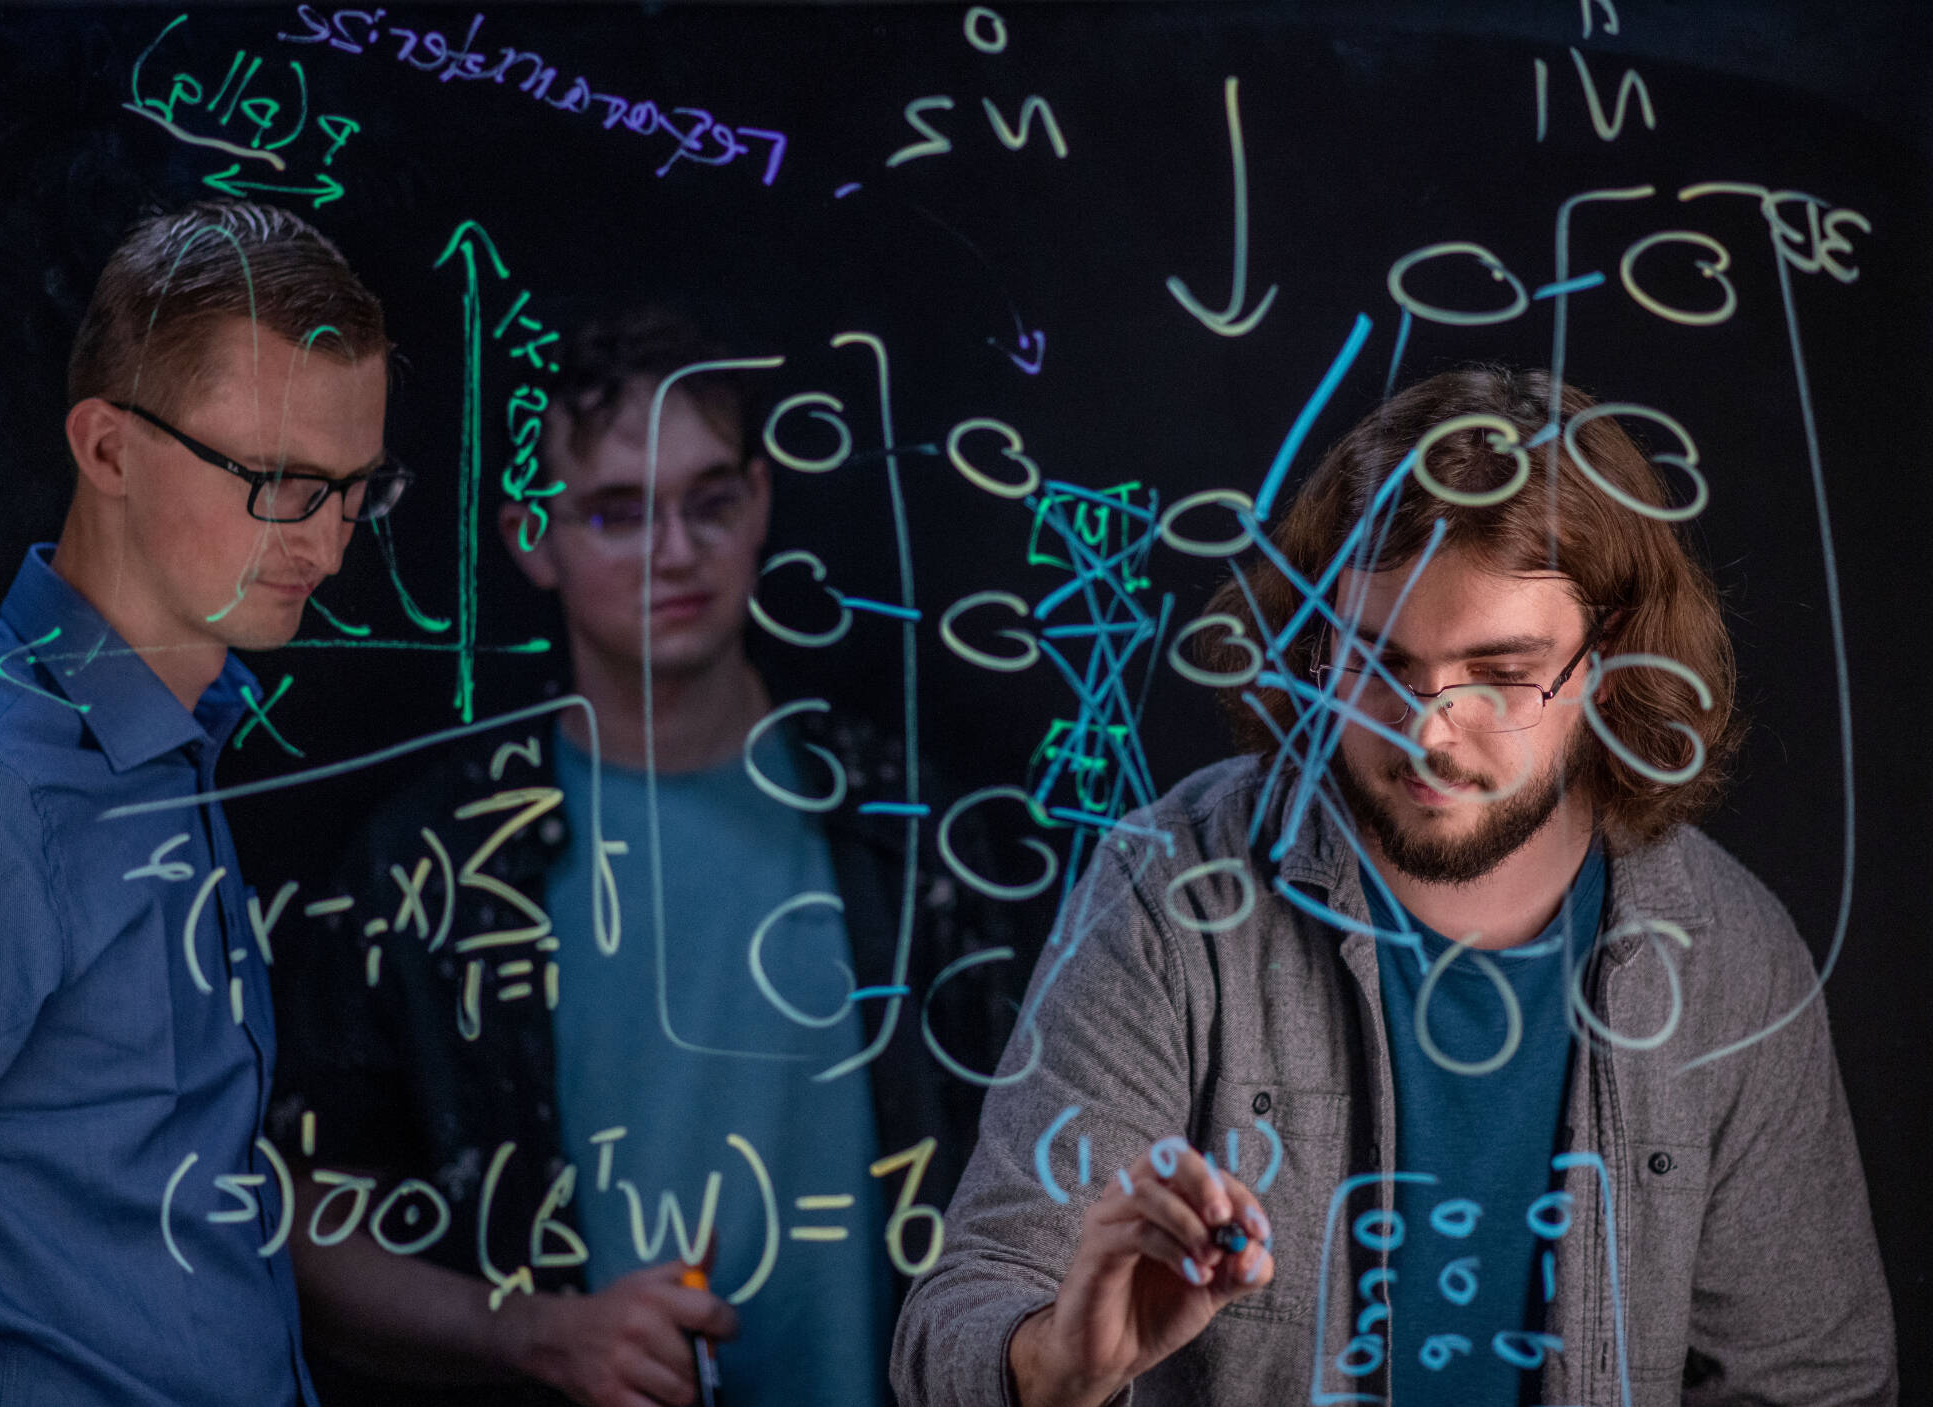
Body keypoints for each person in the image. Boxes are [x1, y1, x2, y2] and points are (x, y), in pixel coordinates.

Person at [892, 368, 1896, 1407]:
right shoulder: (1169, 888)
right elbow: (957, 1317)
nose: (1422, 733)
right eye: (1374, 662)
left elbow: (1812, 1382)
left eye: (1499, 675)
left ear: (1609, 661)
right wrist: (1059, 1366)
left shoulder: (1727, 952)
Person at [270, 307, 1018, 1407]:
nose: (676, 552)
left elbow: (1044, 1173)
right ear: (533, 533)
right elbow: (301, 1217)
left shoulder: (909, 829)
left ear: (760, 500)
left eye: (710, 501)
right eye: (618, 513)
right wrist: (533, 1334)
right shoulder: (437, 860)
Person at [0, 200, 398, 1403]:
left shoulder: (175, 736)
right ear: (107, 450)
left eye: (354, 488)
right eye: (277, 480)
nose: (329, 545)